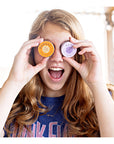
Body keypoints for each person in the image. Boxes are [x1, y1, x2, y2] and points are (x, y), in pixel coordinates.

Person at [0, 9, 114, 137]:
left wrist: (96, 83)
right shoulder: (8, 99)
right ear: (32, 51)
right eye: (47, 48)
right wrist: (14, 82)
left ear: (78, 52)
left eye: (67, 48)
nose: (57, 58)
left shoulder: (106, 98)